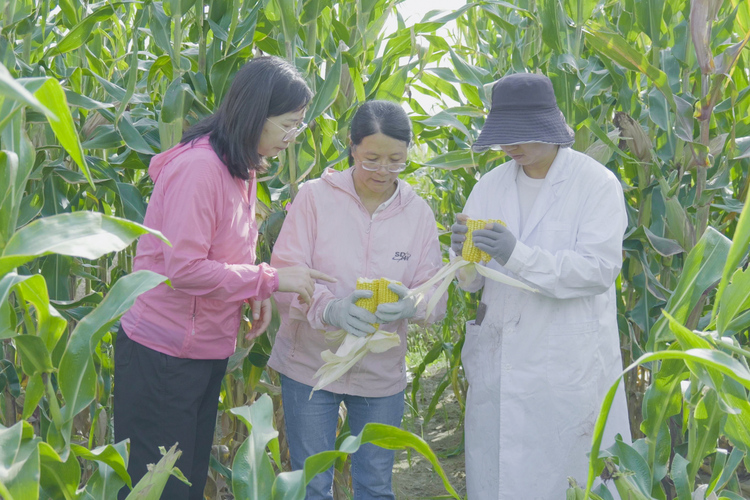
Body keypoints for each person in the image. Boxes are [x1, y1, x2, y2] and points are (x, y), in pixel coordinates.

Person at [114, 56, 335, 500]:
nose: (292, 138)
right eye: (288, 125)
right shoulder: (200, 170)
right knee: (158, 488)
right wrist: (268, 280)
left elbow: (230, 249)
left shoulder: (242, 166)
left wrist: (253, 294)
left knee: (187, 482)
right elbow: (186, 270)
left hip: (200, 350)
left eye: (300, 127)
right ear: (256, 114)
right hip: (163, 354)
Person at [450, 73, 631, 499]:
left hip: (567, 366)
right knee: (501, 477)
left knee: (567, 475)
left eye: (518, 136)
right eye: (502, 137)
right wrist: (465, 258)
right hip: (500, 360)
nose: (508, 146)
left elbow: (597, 270)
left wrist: (518, 254)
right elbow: (471, 286)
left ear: (549, 127)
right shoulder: (489, 185)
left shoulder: (596, 185)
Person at [268, 100, 447, 500]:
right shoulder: (314, 198)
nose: (383, 171)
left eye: (395, 160)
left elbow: (434, 290)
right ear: (351, 146)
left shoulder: (417, 214)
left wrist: (413, 304)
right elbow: (287, 271)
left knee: (375, 486)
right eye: (372, 159)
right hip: (310, 366)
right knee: (311, 484)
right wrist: (330, 307)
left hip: (380, 373)